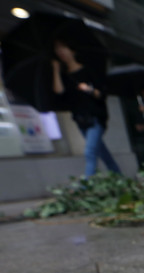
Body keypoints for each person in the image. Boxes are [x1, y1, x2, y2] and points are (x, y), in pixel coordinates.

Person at [51, 39, 121, 177]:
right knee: (101, 152)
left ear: (72, 50)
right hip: (80, 120)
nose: (60, 52)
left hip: (95, 118)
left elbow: (101, 94)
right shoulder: (64, 76)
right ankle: (119, 176)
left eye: (63, 47)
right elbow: (59, 92)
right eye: (57, 49)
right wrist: (55, 70)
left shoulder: (88, 70)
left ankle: (86, 187)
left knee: (89, 152)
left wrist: (89, 89)